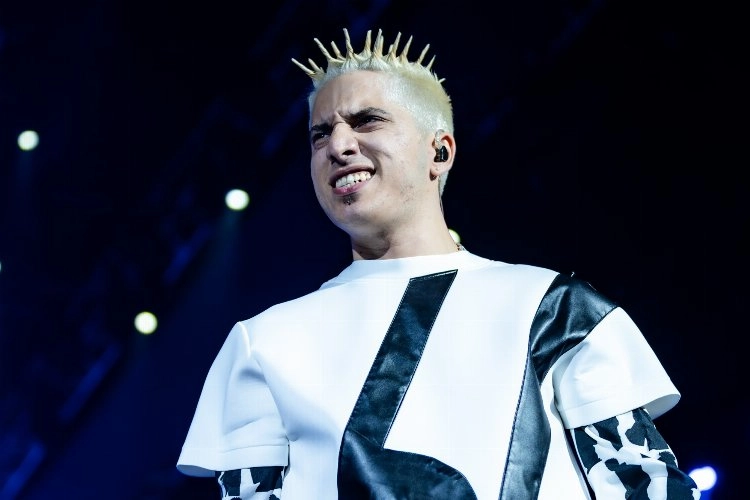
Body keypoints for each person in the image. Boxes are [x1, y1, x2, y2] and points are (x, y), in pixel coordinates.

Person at [176, 28, 700, 499]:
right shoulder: (263, 342)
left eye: (366, 121)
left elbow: (643, 484)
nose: (338, 145)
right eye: (320, 134)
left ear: (440, 151)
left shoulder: (554, 309)